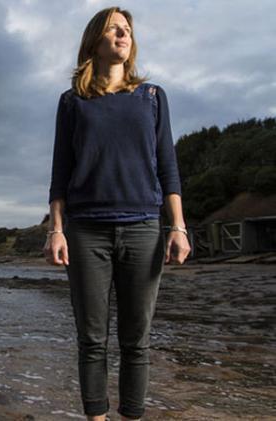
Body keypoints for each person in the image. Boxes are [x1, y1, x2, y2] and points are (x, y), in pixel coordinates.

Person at [42, 6, 191, 421]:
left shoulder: (151, 97)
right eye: (113, 29)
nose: (123, 35)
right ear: (95, 41)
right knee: (92, 339)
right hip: (86, 231)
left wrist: (177, 226)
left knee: (136, 340)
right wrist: (56, 230)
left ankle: (131, 416)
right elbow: (61, 171)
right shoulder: (73, 102)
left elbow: (168, 167)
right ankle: (96, 418)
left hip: (144, 229)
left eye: (126, 30)